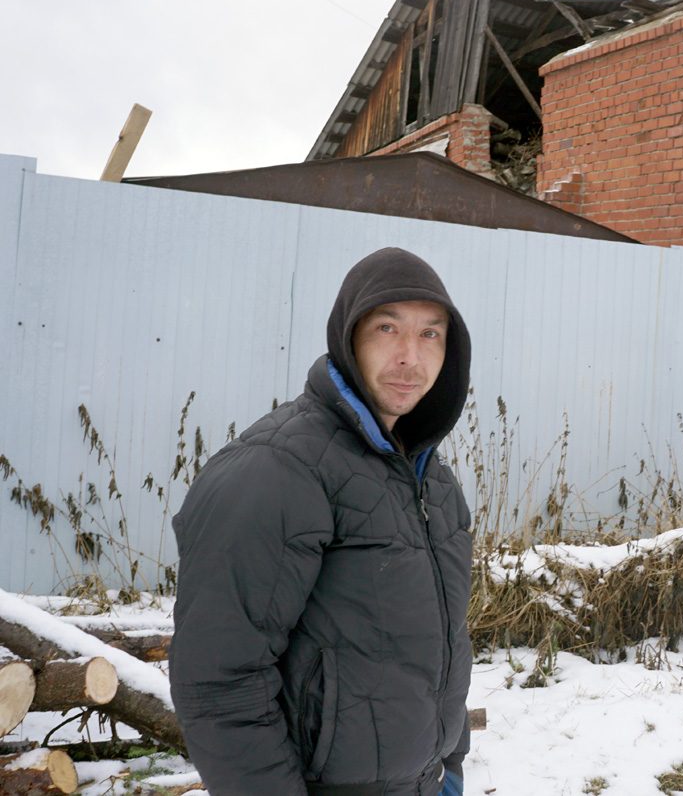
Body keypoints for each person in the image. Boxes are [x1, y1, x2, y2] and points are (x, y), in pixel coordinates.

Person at [170, 247, 473, 796]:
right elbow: (219, 681)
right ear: (348, 337)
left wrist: (449, 764)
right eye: (388, 328)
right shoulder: (275, 470)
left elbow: (444, 641)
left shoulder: (430, 477)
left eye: (430, 334)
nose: (411, 356)